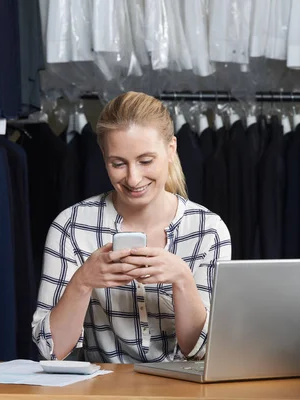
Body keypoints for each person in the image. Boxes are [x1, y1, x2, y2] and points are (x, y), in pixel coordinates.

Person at [31, 92, 231, 363]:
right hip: (101, 392)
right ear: (104, 158)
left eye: (146, 161)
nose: (133, 178)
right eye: (118, 164)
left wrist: (182, 279)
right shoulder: (71, 226)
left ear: (171, 149)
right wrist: (83, 281)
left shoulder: (209, 229)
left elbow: (203, 351)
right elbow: (51, 350)